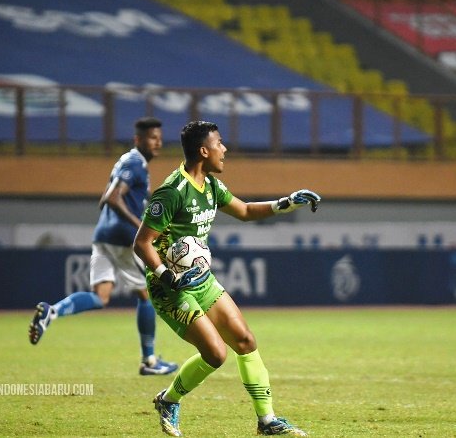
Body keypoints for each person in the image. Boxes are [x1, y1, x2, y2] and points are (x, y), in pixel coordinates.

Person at [133, 120, 320, 436]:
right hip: (170, 288)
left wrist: (286, 203)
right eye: (220, 143)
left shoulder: (212, 187)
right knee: (216, 354)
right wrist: (166, 276)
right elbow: (142, 243)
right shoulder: (172, 191)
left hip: (201, 280)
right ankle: (168, 400)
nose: (225, 149)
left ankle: (267, 421)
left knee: (245, 340)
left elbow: (245, 211)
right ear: (204, 150)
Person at [29, 117, 178, 376]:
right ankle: (150, 362)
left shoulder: (125, 161)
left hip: (103, 235)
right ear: (138, 139)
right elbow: (111, 197)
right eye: (153, 138)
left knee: (101, 297)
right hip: (122, 238)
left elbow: (105, 198)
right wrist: (139, 224)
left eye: (160, 138)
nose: (158, 143)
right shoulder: (135, 163)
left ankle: (51, 312)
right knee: (147, 295)